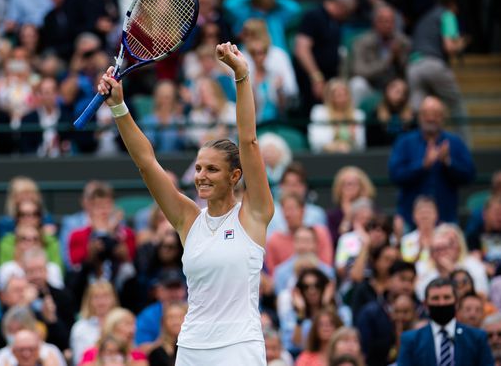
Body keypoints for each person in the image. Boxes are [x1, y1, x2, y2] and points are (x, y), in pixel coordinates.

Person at [96, 41, 274, 365]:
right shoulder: (188, 220)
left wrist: (241, 75)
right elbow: (147, 163)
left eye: (212, 169)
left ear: (235, 176)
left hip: (239, 348)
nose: (201, 176)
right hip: (192, 349)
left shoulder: (255, 214)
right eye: (198, 168)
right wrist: (119, 107)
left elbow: (248, 140)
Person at [390, 95, 476, 226]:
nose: (430, 118)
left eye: (436, 114)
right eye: (426, 114)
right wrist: (423, 165)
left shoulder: (455, 142)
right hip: (410, 219)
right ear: (419, 117)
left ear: (443, 117)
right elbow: (395, 175)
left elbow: (469, 175)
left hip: (446, 218)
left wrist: (448, 162)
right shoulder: (404, 142)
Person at [397, 277, 494, 366]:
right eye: (435, 298)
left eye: (446, 297)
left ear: (456, 302)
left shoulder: (476, 338)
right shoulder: (411, 340)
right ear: (426, 304)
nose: (441, 303)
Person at [407, 0, 468, 122]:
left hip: (413, 67)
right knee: (456, 104)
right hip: (432, 64)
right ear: (451, 5)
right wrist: (461, 44)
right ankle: (462, 142)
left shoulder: (425, 18)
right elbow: (450, 47)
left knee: (419, 112)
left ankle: (420, 141)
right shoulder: (447, 15)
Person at [294, 0, 356, 113]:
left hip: (330, 79)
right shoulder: (314, 16)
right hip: (310, 80)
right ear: (341, 6)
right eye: (348, 12)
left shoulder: (336, 21)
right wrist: (316, 77)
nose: (347, 15)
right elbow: (301, 49)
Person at [350, 5, 411, 104]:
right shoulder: (362, 42)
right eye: (383, 21)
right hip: (371, 85)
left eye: (390, 21)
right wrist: (388, 60)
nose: (387, 25)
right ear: (375, 23)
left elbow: (407, 71)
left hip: (394, 87)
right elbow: (359, 71)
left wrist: (399, 57)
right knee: (357, 84)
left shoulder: (403, 42)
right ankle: (354, 118)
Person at [222, 0, 301, 51]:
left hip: (276, 55)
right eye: (260, 6)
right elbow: (228, 4)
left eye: (266, 7)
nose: (263, 12)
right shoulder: (245, 14)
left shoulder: (276, 17)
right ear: (254, 3)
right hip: (250, 54)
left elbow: (295, 8)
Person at [307, 79, 366, 154]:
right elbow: (316, 142)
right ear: (329, 96)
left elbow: (361, 145)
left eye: (344, 94)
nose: (341, 98)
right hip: (325, 156)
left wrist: (353, 138)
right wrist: (335, 146)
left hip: (352, 155)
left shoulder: (358, 115)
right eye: (337, 95)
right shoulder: (319, 112)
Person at [69, 280, 118, 366]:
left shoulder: (121, 324)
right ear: (89, 301)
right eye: (96, 297)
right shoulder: (80, 328)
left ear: (113, 299)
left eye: (105, 296)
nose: (101, 302)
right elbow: (78, 360)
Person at [366, 77, 416, 147]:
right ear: (386, 90)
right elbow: (371, 144)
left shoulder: (413, 117)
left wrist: (408, 123)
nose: (399, 94)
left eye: (403, 91)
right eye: (395, 89)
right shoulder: (375, 115)